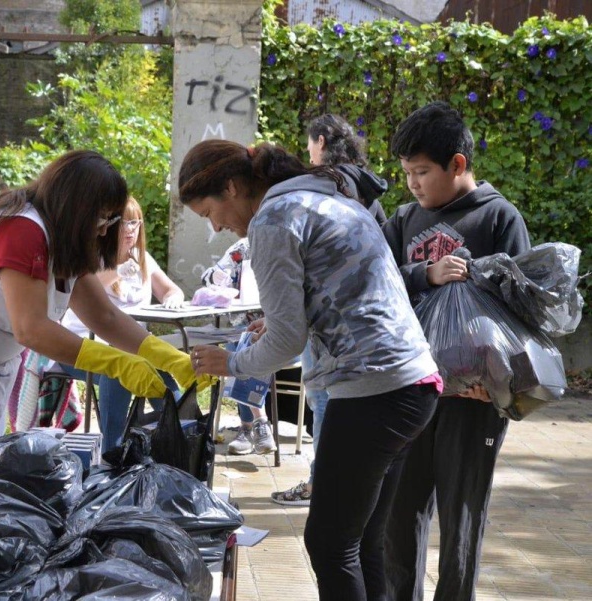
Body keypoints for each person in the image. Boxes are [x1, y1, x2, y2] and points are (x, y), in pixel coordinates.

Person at [181, 139, 440, 600]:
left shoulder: (273, 219)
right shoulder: (324, 197)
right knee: (361, 543)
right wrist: (280, 322)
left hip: (371, 392)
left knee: (328, 543)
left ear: (234, 187)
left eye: (209, 213)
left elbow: (286, 342)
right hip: (412, 385)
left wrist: (232, 363)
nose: (217, 227)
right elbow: (337, 295)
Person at [0, 150, 212, 466]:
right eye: (102, 218)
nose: (104, 229)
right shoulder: (21, 229)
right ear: (77, 208)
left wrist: (165, 357)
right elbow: (31, 328)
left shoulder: (60, 237)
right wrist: (116, 364)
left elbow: (103, 316)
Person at [382, 102, 531, 601]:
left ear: (458, 164)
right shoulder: (403, 220)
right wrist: (426, 273)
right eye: (406, 173)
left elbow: (524, 308)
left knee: (462, 518)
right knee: (399, 516)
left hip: (473, 402)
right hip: (411, 390)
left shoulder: (498, 217)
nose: (413, 184)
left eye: (422, 172)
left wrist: (494, 385)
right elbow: (374, 285)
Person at [273, 113, 389, 506]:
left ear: (321, 141)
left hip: (330, 320)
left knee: (323, 399)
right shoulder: (362, 187)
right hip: (360, 320)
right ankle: (333, 483)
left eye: (309, 145)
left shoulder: (326, 190)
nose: (307, 153)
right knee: (328, 401)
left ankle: (322, 483)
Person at [57, 196, 184, 451]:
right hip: (81, 347)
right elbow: (87, 288)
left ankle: (182, 435)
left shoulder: (142, 257)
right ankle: (112, 451)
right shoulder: (90, 257)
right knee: (120, 368)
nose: (130, 230)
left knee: (160, 368)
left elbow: (172, 290)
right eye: (124, 224)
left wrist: (172, 298)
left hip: (133, 346)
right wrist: (118, 271)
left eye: (135, 223)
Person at [200, 239, 277, 457]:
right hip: (245, 328)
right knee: (241, 342)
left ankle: (248, 426)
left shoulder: (286, 244)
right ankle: (257, 423)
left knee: (245, 346)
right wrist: (218, 278)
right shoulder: (243, 249)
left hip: (284, 333)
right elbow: (207, 277)